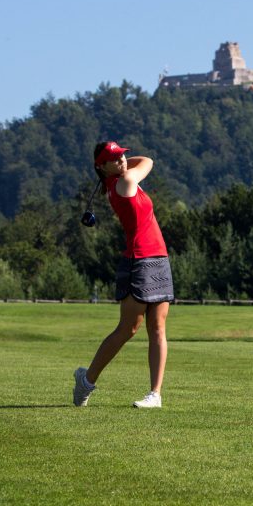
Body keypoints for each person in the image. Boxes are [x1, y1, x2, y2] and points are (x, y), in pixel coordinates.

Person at [73, 141, 174, 408]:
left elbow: (140, 161)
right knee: (128, 329)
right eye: (114, 159)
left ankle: (155, 394)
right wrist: (122, 166)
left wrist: (114, 162)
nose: (122, 161)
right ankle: (87, 380)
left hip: (159, 258)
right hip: (138, 261)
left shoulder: (119, 178)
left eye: (122, 156)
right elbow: (149, 160)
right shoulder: (125, 182)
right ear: (103, 167)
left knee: (158, 328)